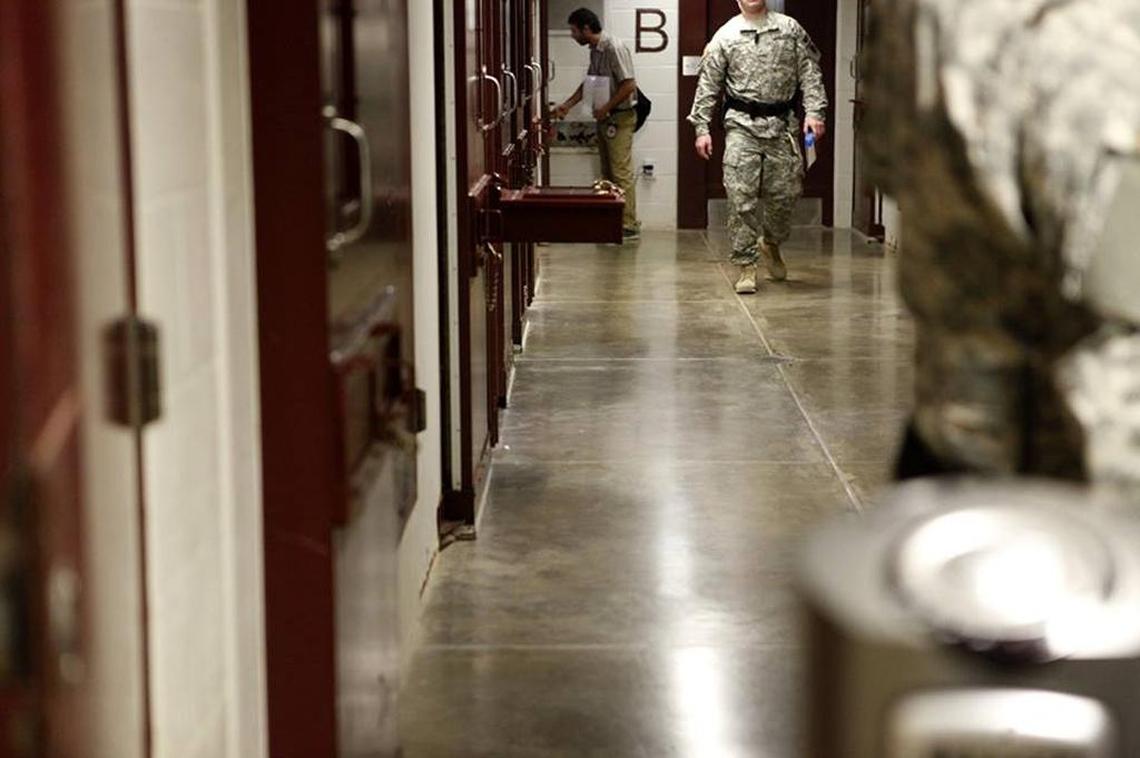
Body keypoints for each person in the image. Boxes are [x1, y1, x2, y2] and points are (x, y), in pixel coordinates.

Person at [687, 0, 827, 294]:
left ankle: (771, 242)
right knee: (741, 197)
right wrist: (702, 128)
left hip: (782, 125)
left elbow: (811, 72)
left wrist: (815, 112)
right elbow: (708, 85)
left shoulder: (790, 29)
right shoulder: (725, 36)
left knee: (786, 194)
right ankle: (746, 265)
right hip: (741, 126)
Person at [552, 8, 641, 243]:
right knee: (607, 172)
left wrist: (607, 107)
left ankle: (629, 224)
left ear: (586, 29)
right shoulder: (595, 50)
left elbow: (629, 85)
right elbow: (588, 84)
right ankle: (613, 220)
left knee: (620, 172)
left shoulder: (614, 48)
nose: (572, 35)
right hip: (606, 118)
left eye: (573, 30)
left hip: (620, 117)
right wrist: (567, 105)